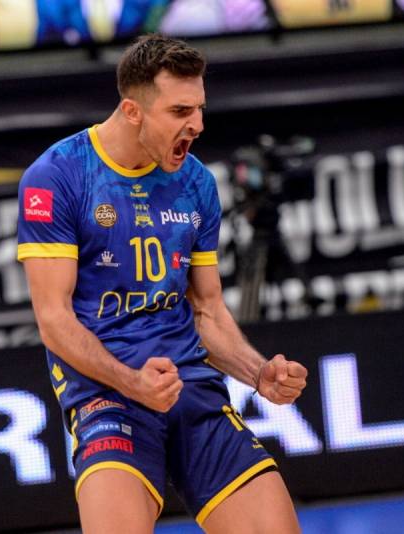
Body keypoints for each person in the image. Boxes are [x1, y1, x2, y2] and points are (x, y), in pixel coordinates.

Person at [17, 34, 306, 534]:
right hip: (107, 395)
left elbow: (207, 311)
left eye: (199, 109)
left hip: (190, 386)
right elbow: (53, 320)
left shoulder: (196, 183)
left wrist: (257, 373)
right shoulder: (58, 176)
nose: (197, 124)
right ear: (133, 111)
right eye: (180, 111)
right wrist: (132, 383)